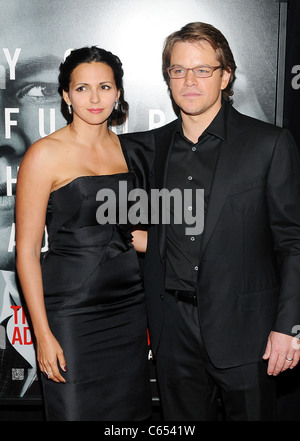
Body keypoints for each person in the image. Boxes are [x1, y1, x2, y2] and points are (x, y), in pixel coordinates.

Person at [142, 22, 300, 421]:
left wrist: (289, 328)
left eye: (202, 70)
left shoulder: (269, 143)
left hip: (250, 335)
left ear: (225, 75)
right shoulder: (150, 148)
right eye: (178, 70)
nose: (189, 80)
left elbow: (292, 242)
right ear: (168, 78)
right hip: (173, 334)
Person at [15, 46, 152, 421]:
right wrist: (42, 333)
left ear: (118, 93)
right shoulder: (44, 155)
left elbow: (133, 233)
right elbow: (26, 251)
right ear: (65, 95)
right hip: (72, 312)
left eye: (105, 87)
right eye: (82, 88)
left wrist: (201, 249)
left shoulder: (132, 152)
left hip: (129, 307)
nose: (94, 98)